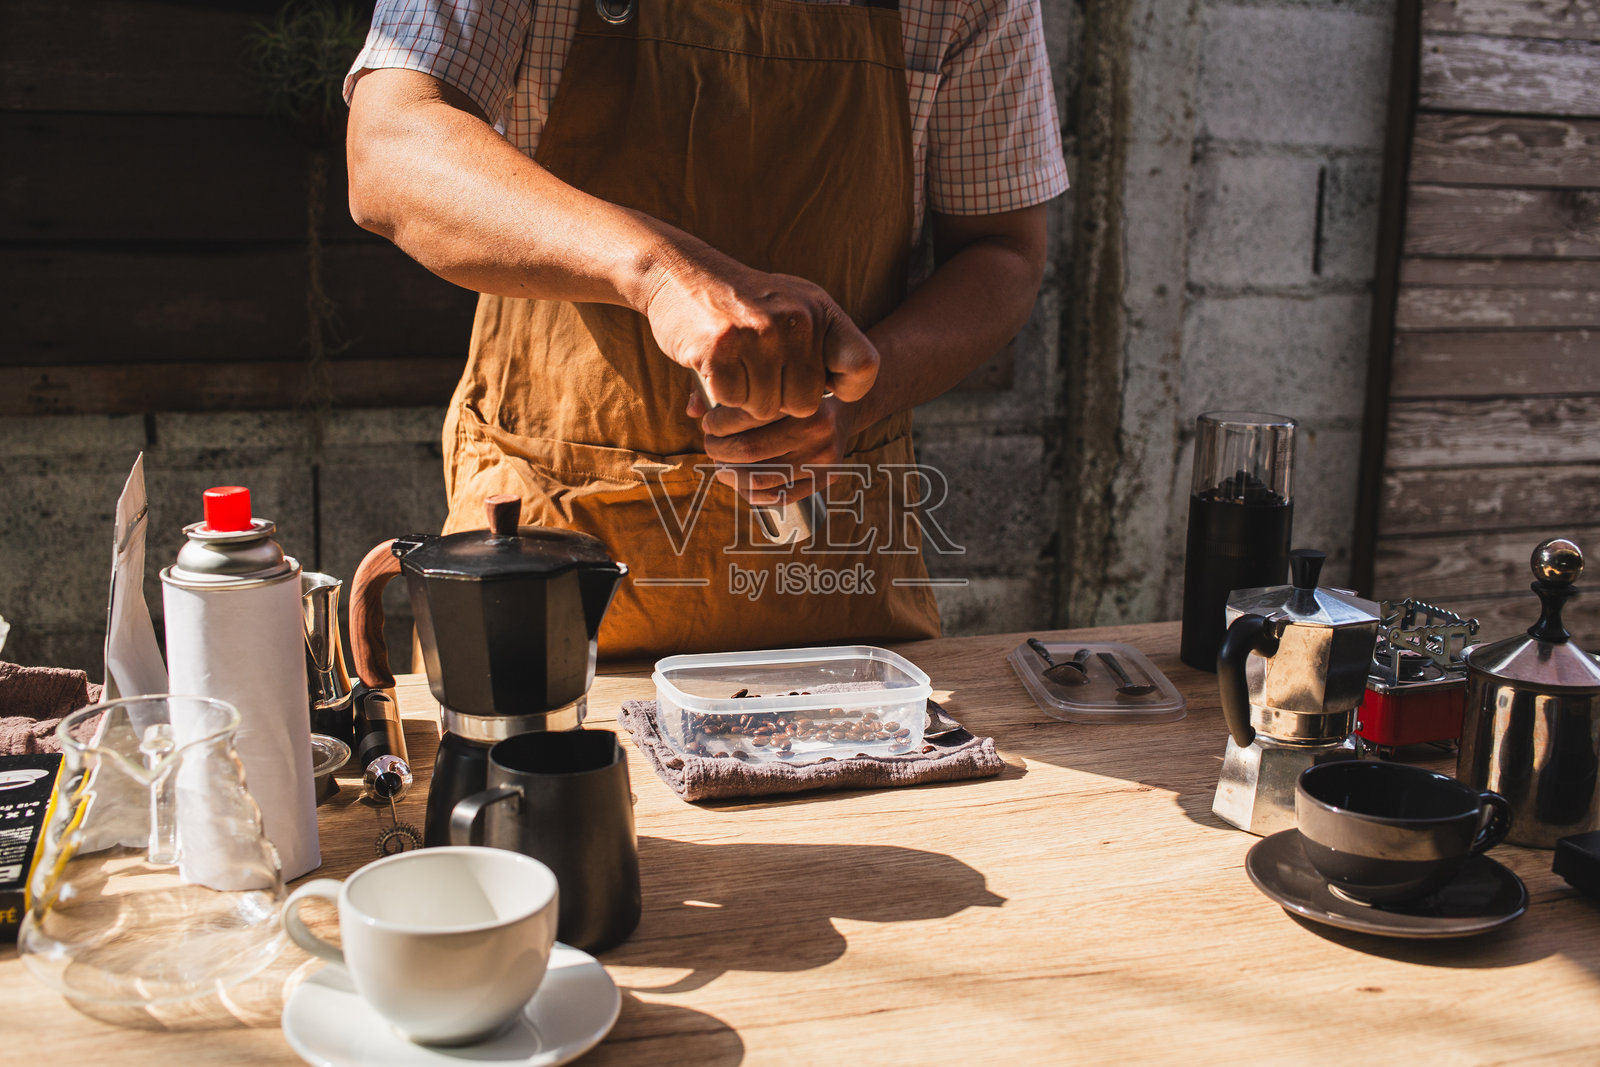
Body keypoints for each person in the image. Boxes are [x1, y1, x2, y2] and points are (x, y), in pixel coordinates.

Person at [344, 0, 1068, 659]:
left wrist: (854, 402)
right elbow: (390, 145)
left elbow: (1002, 252)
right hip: (550, 570)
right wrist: (660, 274)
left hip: (834, 575)